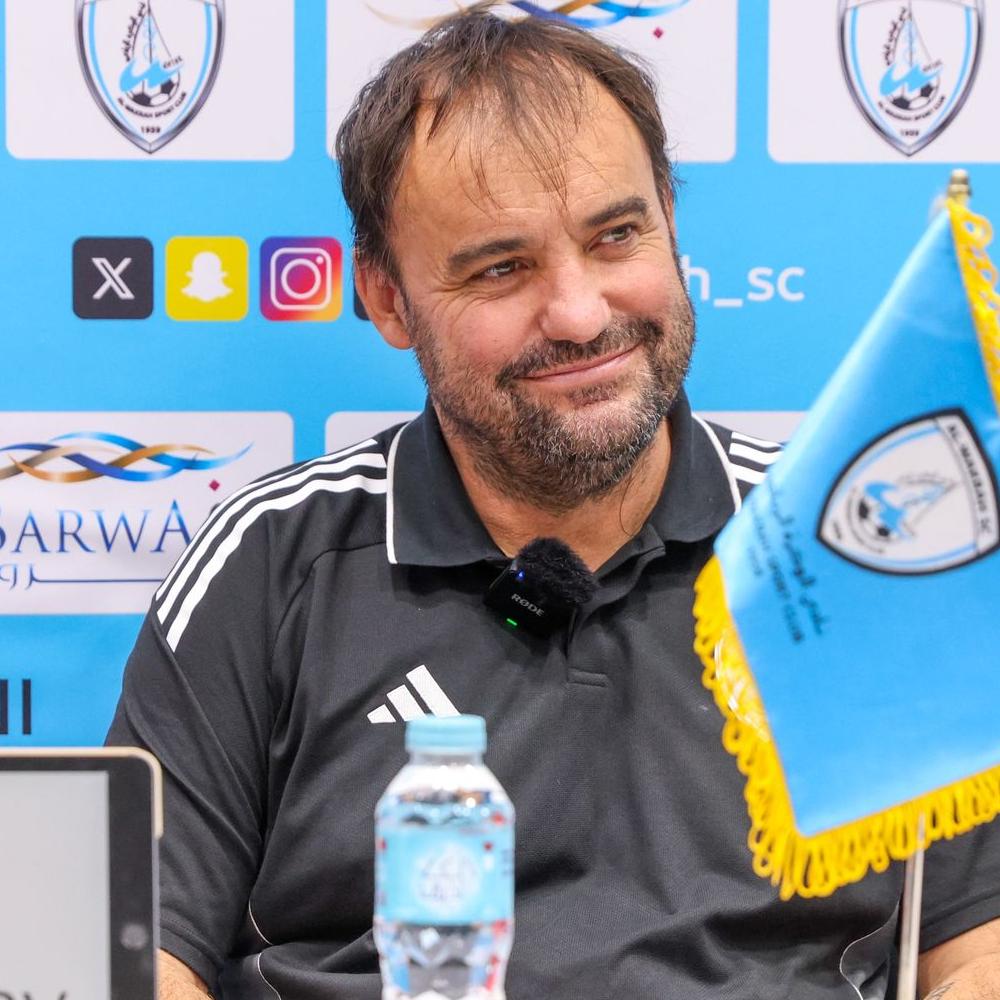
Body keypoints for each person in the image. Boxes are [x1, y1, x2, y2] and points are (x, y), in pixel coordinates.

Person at [109, 6, 1000, 999]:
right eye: (501, 267)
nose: (579, 314)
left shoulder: (846, 555)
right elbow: (132, 959)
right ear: (389, 299)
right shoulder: (270, 566)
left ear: (669, 221)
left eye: (616, 236)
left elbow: (976, 947)